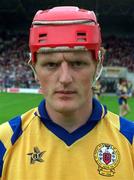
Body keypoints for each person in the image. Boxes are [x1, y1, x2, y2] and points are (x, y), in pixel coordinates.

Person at [0, 6, 133, 180]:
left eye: (78, 63)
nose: (65, 78)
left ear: (97, 66)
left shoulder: (130, 141)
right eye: (51, 65)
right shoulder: (4, 141)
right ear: (34, 69)